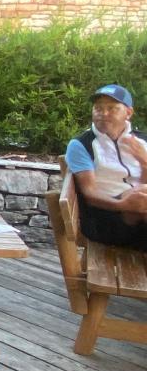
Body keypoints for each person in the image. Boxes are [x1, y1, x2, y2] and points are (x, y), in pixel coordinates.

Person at [64, 84, 147, 250]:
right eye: (98, 108)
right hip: (105, 219)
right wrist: (124, 204)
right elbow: (90, 194)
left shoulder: (142, 141)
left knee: (142, 193)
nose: (103, 113)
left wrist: (144, 163)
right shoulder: (82, 144)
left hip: (140, 216)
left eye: (112, 108)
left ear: (128, 112)